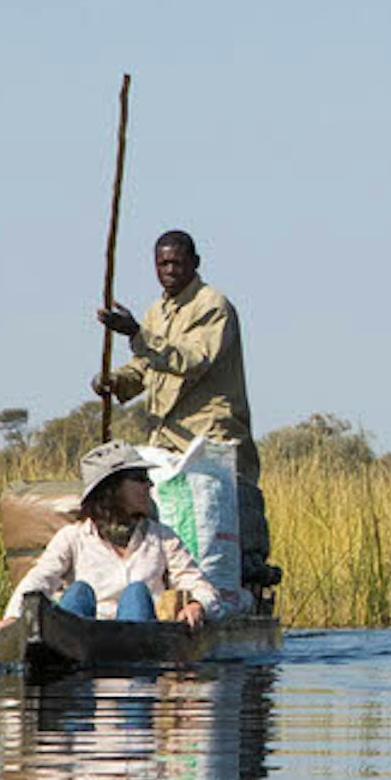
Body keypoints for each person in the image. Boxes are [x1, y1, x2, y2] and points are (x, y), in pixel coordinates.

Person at [95, 229, 270, 586]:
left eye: (177, 262)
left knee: (221, 516)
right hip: (166, 439)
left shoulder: (213, 307)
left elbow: (192, 360)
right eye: (162, 263)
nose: (169, 270)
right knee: (161, 519)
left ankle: (237, 584)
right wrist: (114, 382)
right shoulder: (157, 312)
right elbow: (145, 369)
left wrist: (136, 335)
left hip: (209, 438)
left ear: (195, 263)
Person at [0, 444, 225, 635]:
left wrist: (198, 605)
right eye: (139, 478)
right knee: (78, 592)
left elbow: (200, 586)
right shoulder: (73, 537)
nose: (150, 486)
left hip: (140, 639)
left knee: (136, 593)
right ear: (111, 490)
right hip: (85, 639)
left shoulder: (162, 538)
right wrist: (12, 619)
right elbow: (39, 580)